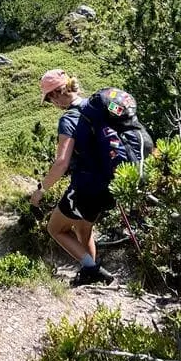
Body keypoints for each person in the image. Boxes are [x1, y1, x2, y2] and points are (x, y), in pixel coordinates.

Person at [30, 69, 115, 287]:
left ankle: (92, 269)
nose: (52, 104)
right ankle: (90, 275)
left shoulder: (69, 119)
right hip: (111, 184)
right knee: (83, 229)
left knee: (55, 228)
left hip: (86, 186)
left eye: (49, 99)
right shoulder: (98, 108)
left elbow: (61, 163)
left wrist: (41, 190)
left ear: (57, 94)